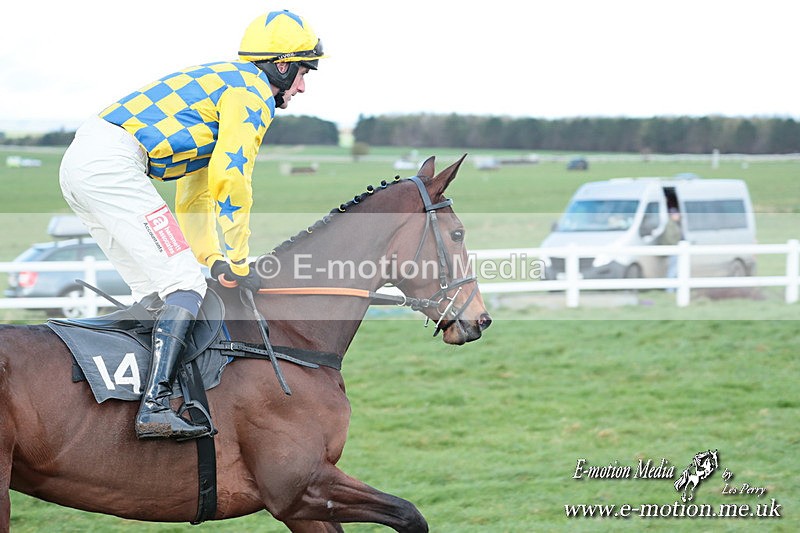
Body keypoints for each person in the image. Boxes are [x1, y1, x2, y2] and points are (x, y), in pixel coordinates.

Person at [58, 10, 327, 439]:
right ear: (282, 65)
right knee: (184, 284)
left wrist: (214, 258)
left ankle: (135, 398)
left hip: (84, 162)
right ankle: (154, 407)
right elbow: (232, 178)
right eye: (303, 73)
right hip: (112, 164)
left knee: (156, 295)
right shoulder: (253, 93)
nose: (302, 87)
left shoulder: (227, 84)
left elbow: (195, 193)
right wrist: (239, 259)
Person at [659, 208, 684, 290]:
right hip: (673, 249)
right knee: (673, 269)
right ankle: (670, 289)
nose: (678, 216)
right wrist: (676, 245)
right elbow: (669, 238)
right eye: (676, 214)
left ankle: (674, 288)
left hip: (675, 249)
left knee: (676, 269)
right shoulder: (670, 225)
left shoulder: (674, 224)